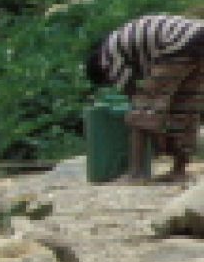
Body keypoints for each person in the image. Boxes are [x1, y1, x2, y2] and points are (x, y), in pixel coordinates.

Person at [85, 13, 204, 185]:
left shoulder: (106, 57)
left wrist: (154, 125)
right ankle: (179, 171)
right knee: (185, 106)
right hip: (197, 36)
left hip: (179, 43)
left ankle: (137, 173)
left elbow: (133, 93)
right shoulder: (125, 42)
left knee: (141, 110)